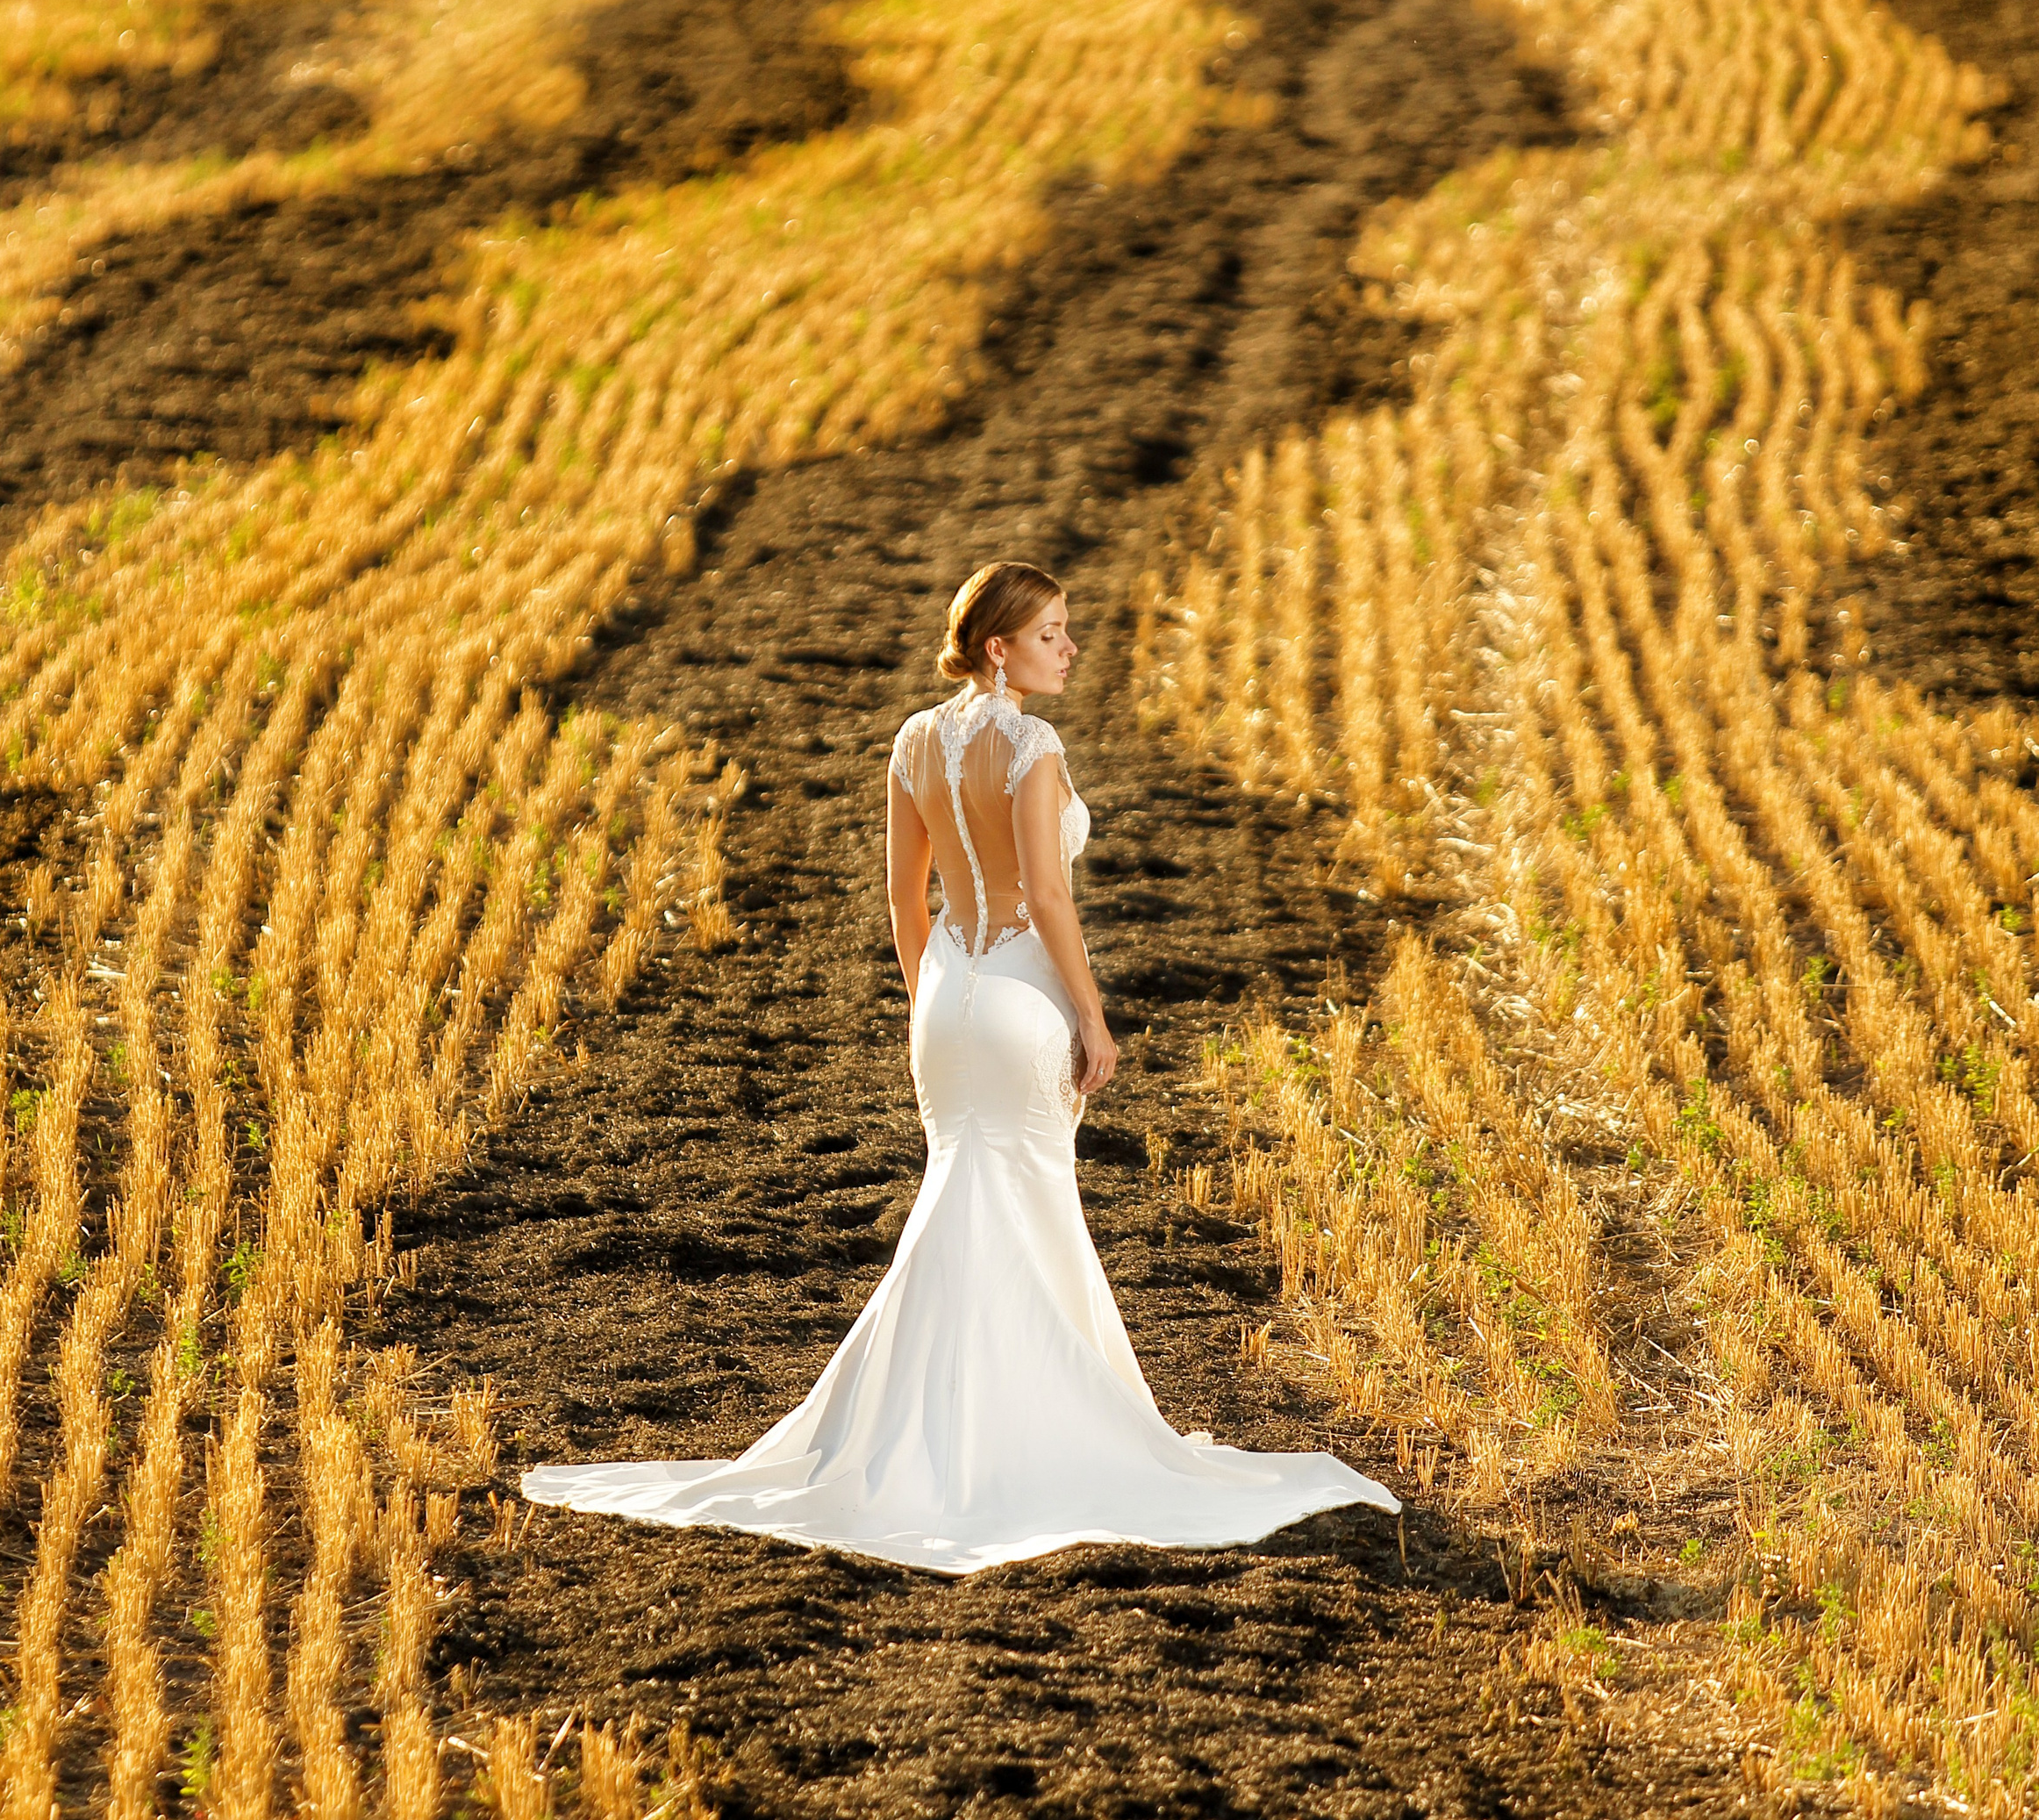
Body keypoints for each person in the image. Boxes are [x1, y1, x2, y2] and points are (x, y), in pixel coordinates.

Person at [520, 560, 1397, 1573]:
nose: (1068, 649)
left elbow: (905, 899)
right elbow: (1049, 897)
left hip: (946, 996)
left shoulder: (913, 740)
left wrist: (930, 998)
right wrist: (1092, 1014)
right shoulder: (1033, 745)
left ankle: (930, 1427)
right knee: (1027, 1202)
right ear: (999, 648)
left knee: (963, 1194)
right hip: (1022, 994)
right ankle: (1026, 1431)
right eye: (1053, 633)